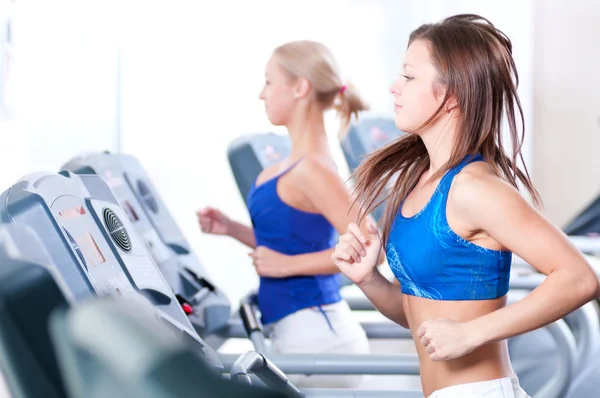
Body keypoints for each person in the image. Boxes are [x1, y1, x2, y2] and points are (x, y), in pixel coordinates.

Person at [332, 14, 600, 398]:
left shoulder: (474, 188)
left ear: (451, 95)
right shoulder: (422, 181)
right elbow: (420, 319)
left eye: (409, 76)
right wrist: (369, 279)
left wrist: (472, 333)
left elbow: (579, 278)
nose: (394, 87)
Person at [197, 40, 378, 388]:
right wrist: (233, 229)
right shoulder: (296, 164)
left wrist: (287, 266)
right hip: (300, 330)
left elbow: (371, 245)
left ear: (300, 87)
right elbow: (290, 242)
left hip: (319, 338)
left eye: (268, 81)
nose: (261, 94)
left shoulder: (312, 168)